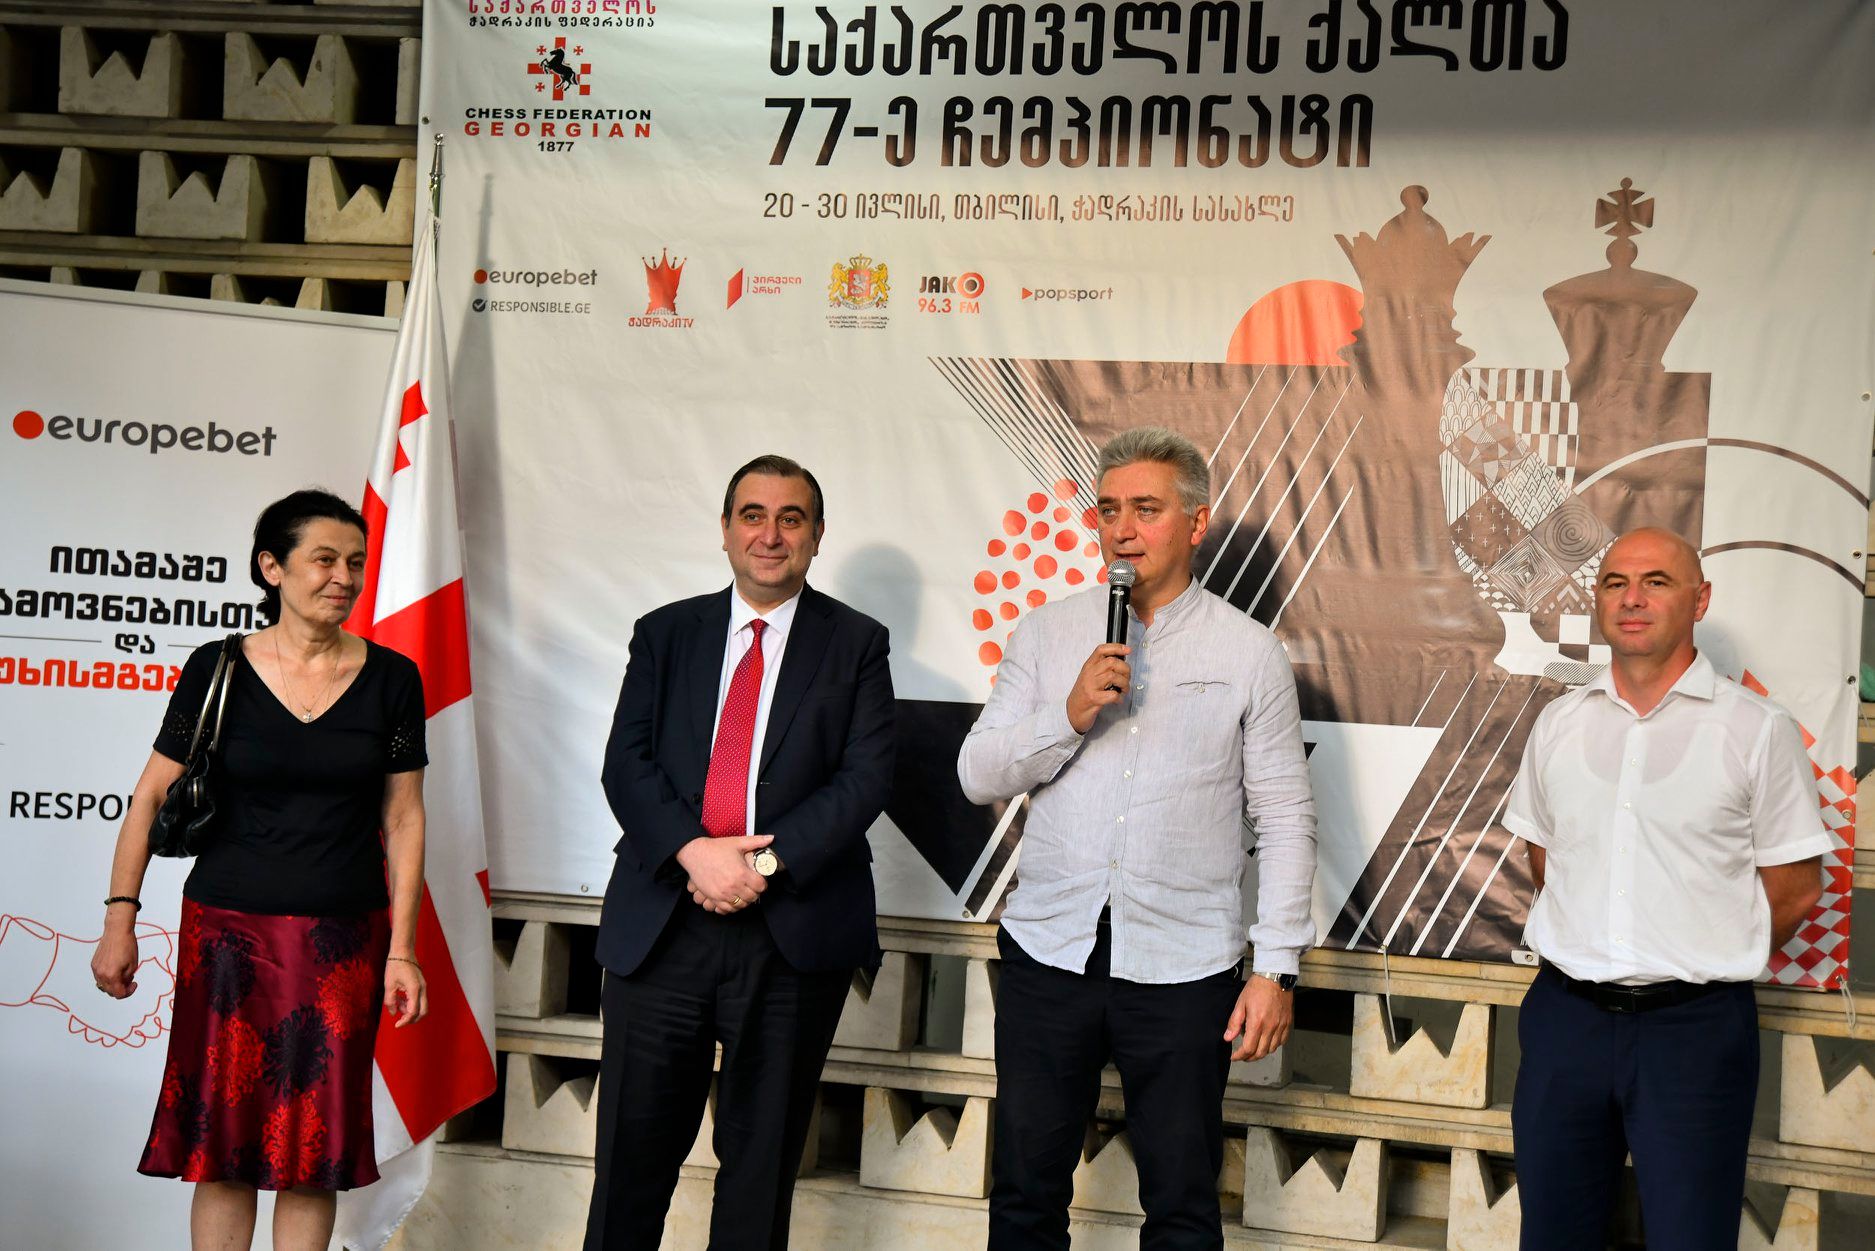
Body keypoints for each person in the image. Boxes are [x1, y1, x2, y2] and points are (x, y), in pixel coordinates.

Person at [958, 426, 1318, 1250]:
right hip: (1049, 955)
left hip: (1183, 966)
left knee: (1183, 1205)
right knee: (1023, 1194)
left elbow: (1284, 817)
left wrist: (1275, 968)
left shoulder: (1248, 651)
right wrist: (1069, 712)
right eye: (1108, 509)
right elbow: (976, 772)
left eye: (1145, 509)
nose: (1121, 528)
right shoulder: (1046, 634)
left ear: (1195, 523)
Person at [91, 488, 430, 1251]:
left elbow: (405, 817)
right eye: (324, 559)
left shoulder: (393, 678)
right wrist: (120, 917)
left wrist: (403, 949)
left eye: (355, 562)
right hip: (227, 935)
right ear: (271, 566)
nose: (343, 577)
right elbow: (150, 795)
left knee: (315, 1157)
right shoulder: (216, 667)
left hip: (342, 941)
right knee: (224, 1147)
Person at [586, 454, 895, 1251]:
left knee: (760, 1170)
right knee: (629, 1163)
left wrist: (756, 865)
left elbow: (865, 778)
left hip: (790, 931)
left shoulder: (856, 643)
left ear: (817, 535)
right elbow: (627, 763)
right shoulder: (666, 633)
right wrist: (695, 852)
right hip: (665, 924)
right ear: (724, 529)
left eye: (791, 518)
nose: (770, 534)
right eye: (752, 515)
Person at [1503, 528, 1829, 1250]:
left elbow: (1796, 889)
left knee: (1690, 1237)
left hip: (1694, 1034)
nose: (1632, 598)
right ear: (1597, 600)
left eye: (1656, 581)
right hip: (1565, 1024)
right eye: (1615, 582)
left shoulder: (1756, 730)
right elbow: (1545, 858)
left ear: (1699, 600)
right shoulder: (1559, 723)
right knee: (1552, 1235)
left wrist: (1699, 952)